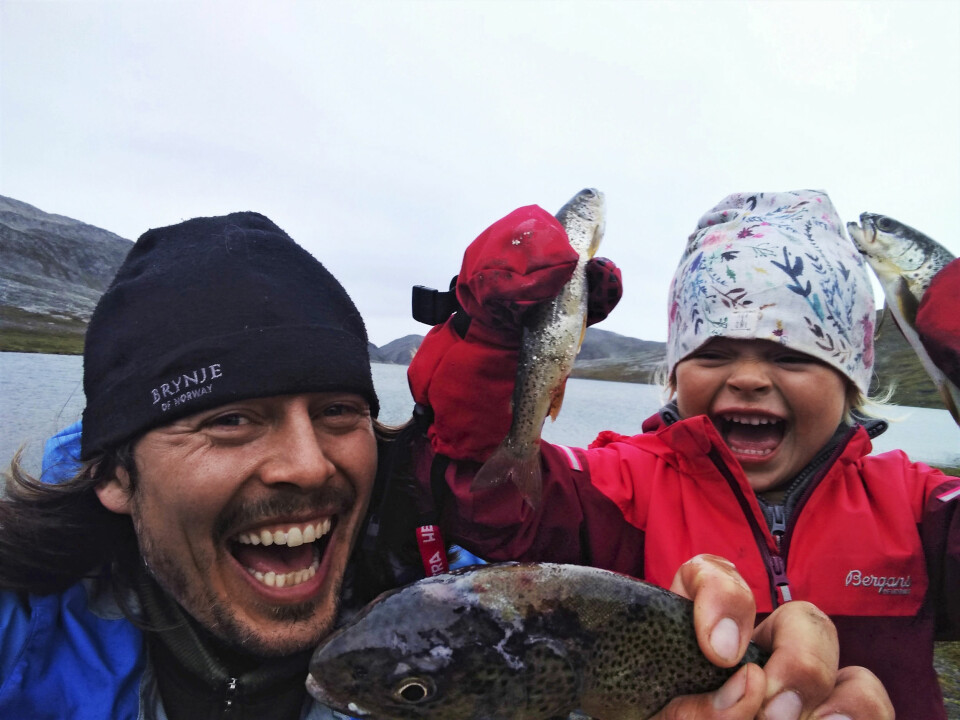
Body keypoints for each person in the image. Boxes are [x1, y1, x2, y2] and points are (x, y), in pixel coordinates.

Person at [0, 211, 890, 720]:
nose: (308, 465)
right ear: (115, 472)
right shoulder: (18, 631)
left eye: (341, 411)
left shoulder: (482, 627)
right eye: (230, 420)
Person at [408, 189, 959, 720]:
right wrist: (488, 351)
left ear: (851, 381)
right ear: (675, 374)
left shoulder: (918, 506)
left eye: (791, 357)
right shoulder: (619, 484)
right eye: (714, 351)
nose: (747, 378)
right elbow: (486, 498)